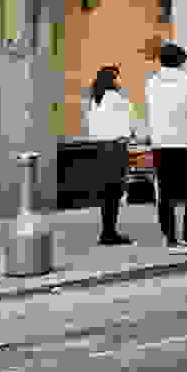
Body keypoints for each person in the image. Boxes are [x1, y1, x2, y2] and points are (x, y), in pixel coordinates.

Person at [145, 42, 187, 254]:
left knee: (165, 193)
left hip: (161, 144)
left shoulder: (151, 83)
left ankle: (171, 240)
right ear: (182, 61)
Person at [84, 66, 137, 246]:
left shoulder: (95, 100)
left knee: (106, 193)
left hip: (99, 148)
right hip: (115, 148)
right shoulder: (116, 99)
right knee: (114, 192)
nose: (120, 80)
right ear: (112, 80)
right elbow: (129, 125)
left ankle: (107, 231)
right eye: (118, 77)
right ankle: (109, 233)